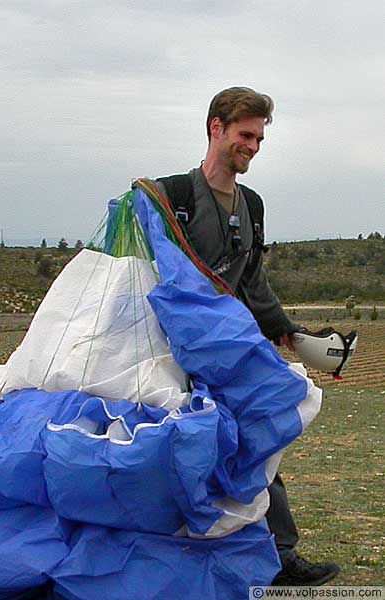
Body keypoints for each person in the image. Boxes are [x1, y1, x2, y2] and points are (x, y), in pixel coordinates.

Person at [155, 86, 340, 586]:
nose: (253, 146)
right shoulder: (169, 196)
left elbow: (251, 278)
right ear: (215, 127)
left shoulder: (250, 204)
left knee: (256, 444)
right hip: (165, 355)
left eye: (259, 138)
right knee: (170, 453)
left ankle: (279, 557)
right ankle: (173, 555)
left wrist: (285, 329)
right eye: (245, 135)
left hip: (229, 353)